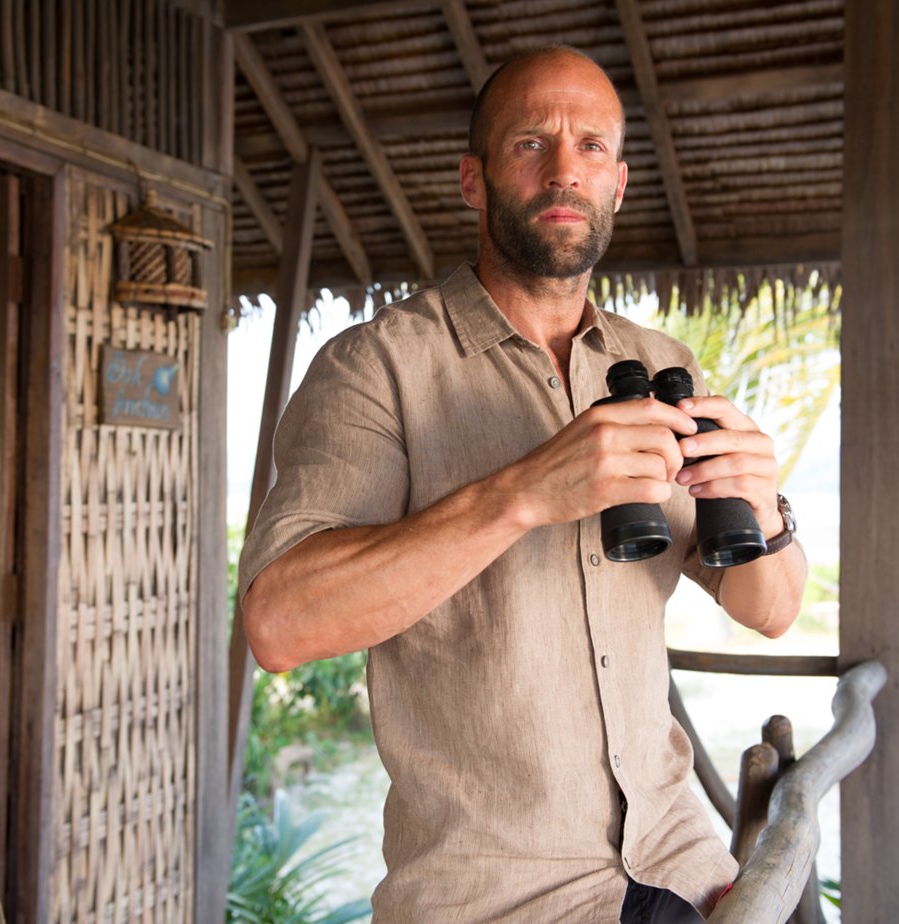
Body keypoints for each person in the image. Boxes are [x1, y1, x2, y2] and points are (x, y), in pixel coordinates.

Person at [238, 45, 808, 923]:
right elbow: (279, 624)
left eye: (590, 148)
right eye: (530, 143)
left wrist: (764, 502)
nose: (563, 170)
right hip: (493, 896)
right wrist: (521, 494)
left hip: (680, 862)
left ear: (617, 183)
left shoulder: (661, 367)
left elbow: (768, 608)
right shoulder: (373, 369)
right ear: (473, 180)